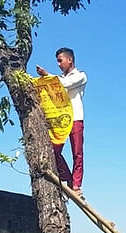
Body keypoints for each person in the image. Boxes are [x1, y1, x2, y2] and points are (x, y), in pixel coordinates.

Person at [36, 47, 88, 195]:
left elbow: (65, 84)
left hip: (76, 117)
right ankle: (68, 179)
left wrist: (47, 76)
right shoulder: (57, 78)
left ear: (70, 60)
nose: (58, 64)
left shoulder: (81, 76)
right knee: (54, 149)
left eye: (60, 60)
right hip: (60, 119)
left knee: (77, 152)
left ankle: (77, 185)